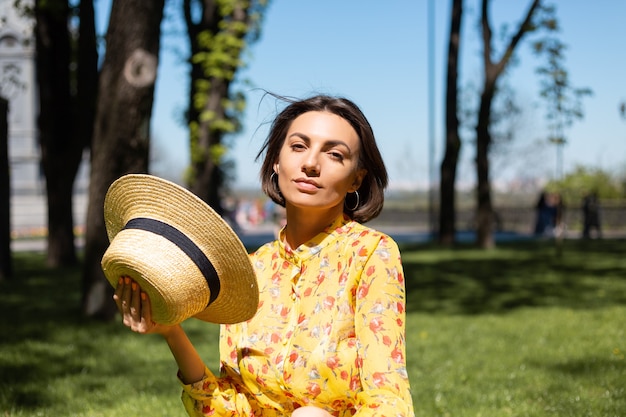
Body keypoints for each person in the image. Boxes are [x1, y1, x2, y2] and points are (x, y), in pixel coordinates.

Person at [113, 94, 415, 417]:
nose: (311, 163)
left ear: (357, 178)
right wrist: (171, 331)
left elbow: (388, 401)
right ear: (276, 161)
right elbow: (232, 409)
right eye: (298, 147)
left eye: (335, 154)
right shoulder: (249, 271)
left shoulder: (371, 255)